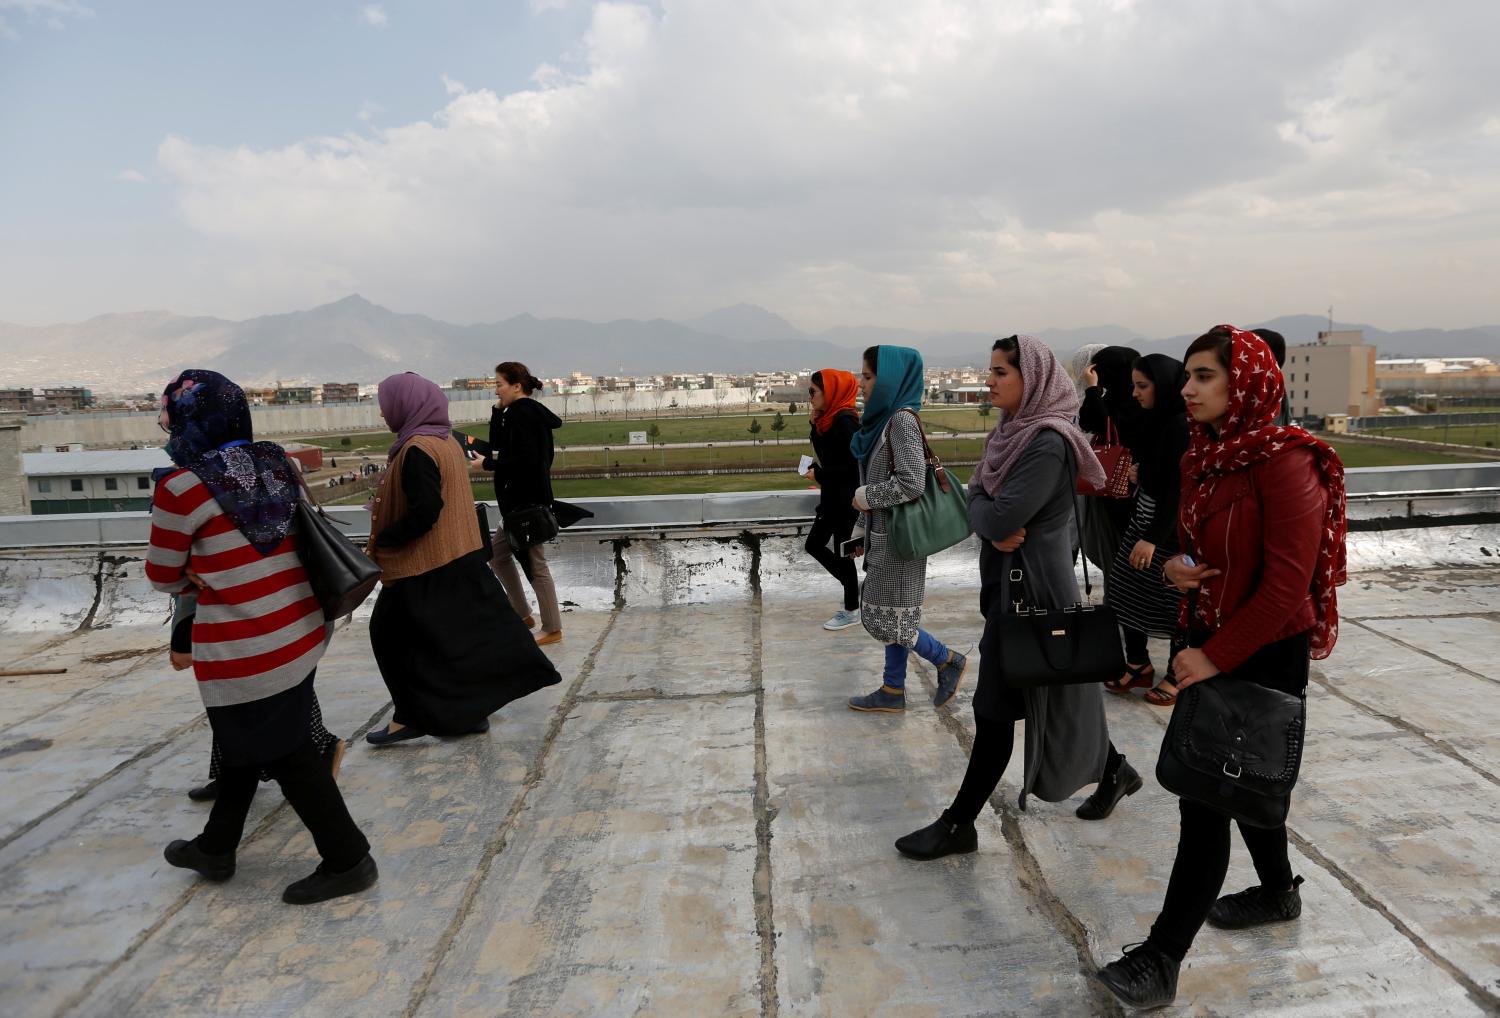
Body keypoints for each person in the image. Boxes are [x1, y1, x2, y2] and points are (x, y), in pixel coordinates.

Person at [1096, 326, 1347, 1009]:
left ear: (1248, 385)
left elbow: (1287, 588)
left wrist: (1212, 657)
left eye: (1205, 376)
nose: (1189, 388)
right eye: (1190, 375)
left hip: (1263, 648)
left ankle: (1160, 959)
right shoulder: (1206, 456)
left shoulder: (1286, 463)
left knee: (1206, 799)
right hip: (1208, 636)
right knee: (1247, 777)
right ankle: (1276, 892)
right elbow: (1192, 547)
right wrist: (1178, 568)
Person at [895, 336, 1140, 863]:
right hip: (1011, 588)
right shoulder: (1011, 433)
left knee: (995, 711)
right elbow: (978, 500)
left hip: (1034, 592)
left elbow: (996, 515)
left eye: (1001, 372)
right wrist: (984, 512)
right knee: (1054, 695)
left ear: (1033, 379)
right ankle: (1116, 769)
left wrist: (983, 513)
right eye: (989, 370)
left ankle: (959, 823)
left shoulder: (1047, 442)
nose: (990, 380)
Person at [146, 370, 377, 905]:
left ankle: (348, 859)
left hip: (247, 646)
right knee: (244, 744)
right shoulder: (279, 463)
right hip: (299, 630)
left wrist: (195, 577)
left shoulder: (181, 488)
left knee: (289, 753)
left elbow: (161, 574)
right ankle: (216, 847)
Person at [365, 372, 562, 746]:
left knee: (390, 638)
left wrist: (386, 540)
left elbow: (426, 510)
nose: (382, 413)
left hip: (423, 563)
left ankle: (410, 717)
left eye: (386, 404)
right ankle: (467, 712)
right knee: (453, 640)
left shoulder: (417, 449)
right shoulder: (444, 441)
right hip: (456, 555)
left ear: (405, 405)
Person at [846, 345, 967, 712]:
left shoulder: (900, 420)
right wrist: (859, 529)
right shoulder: (882, 422)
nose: (861, 385)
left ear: (889, 380)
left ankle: (947, 659)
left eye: (867, 377)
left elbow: (912, 483)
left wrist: (866, 497)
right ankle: (892, 690)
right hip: (884, 537)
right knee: (893, 614)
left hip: (900, 543)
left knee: (886, 618)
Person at [1103, 354, 1190, 706]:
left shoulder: (1180, 426)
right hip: (1143, 517)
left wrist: (1153, 539)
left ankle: (1176, 674)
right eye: (1134, 386)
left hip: (1166, 530)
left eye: (1143, 386)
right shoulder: (1154, 420)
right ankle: (1137, 662)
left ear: (1163, 385)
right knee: (1125, 589)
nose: (1136, 394)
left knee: (1173, 603)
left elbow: (1178, 489)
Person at [469, 362, 566, 646]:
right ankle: (523, 614)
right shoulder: (516, 413)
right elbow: (499, 442)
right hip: (519, 503)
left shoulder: (524, 414)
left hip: (526, 504)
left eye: (499, 384)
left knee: (536, 565)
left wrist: (487, 464)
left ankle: (552, 628)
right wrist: (497, 410)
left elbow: (527, 461)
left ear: (516, 386)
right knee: (498, 554)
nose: (495, 390)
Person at [1076, 346, 1143, 599]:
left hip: (1133, 491)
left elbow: (1110, 427)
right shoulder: (1111, 398)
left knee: (1129, 556)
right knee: (1115, 559)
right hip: (1110, 491)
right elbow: (1088, 421)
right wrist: (1094, 391)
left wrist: (1094, 389)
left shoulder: (1139, 400)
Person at [802, 368, 862, 631]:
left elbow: (852, 467)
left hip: (845, 501)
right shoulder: (828, 419)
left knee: (842, 553)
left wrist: (820, 474)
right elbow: (831, 457)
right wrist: (815, 424)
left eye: (813, 392)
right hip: (832, 499)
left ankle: (852, 609)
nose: (810, 397)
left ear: (832, 392)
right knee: (814, 545)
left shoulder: (845, 421)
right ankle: (853, 589)